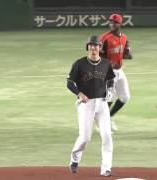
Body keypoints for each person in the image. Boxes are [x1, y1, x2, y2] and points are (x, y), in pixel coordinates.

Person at [67, 35, 115, 177]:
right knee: (85, 138)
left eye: (96, 45)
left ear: (100, 48)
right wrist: (79, 93)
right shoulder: (79, 64)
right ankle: (75, 159)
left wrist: (111, 90)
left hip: (102, 104)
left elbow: (111, 79)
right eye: (91, 45)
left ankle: (106, 168)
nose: (94, 48)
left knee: (107, 136)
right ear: (88, 47)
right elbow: (69, 83)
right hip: (86, 104)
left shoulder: (106, 63)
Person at [99, 13, 133, 131]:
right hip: (108, 72)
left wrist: (128, 54)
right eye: (111, 22)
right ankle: (103, 123)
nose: (112, 24)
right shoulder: (104, 38)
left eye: (115, 22)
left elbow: (126, 54)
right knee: (109, 97)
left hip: (119, 71)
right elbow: (97, 56)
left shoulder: (124, 38)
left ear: (120, 24)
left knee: (125, 97)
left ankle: (108, 117)